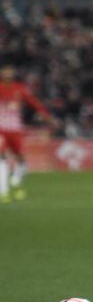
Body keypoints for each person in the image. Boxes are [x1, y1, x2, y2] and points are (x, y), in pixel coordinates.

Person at [0, 64, 58, 202]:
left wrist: (49, 119)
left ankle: (16, 181)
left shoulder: (19, 88)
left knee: (20, 159)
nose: (7, 75)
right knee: (1, 157)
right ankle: (3, 191)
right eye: (5, 72)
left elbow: (35, 104)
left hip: (15, 129)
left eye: (10, 72)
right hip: (1, 129)